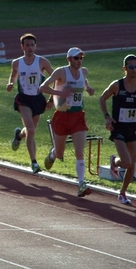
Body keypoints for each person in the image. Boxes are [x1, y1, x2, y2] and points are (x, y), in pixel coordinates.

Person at [99, 54, 136, 205]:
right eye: (131, 67)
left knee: (131, 165)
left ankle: (122, 193)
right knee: (126, 161)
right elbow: (102, 98)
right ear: (125, 68)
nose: (135, 70)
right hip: (118, 127)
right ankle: (115, 162)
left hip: (132, 128)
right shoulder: (117, 85)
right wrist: (107, 117)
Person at [39, 47, 95, 197]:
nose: (79, 60)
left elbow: (83, 81)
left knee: (79, 151)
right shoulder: (61, 72)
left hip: (78, 116)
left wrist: (88, 88)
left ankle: (81, 184)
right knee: (59, 153)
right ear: (69, 59)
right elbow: (42, 87)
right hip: (62, 117)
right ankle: (52, 155)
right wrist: (59, 93)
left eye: (81, 58)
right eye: (76, 58)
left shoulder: (83, 72)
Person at [6, 33, 53, 173]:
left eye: (32, 45)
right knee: (31, 130)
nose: (30, 48)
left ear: (36, 46)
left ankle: (19, 135)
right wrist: (10, 83)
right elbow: (13, 75)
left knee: (30, 131)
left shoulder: (42, 62)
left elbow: (56, 79)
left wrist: (51, 99)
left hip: (38, 99)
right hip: (23, 99)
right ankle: (34, 163)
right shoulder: (16, 62)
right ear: (22, 47)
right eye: (27, 45)